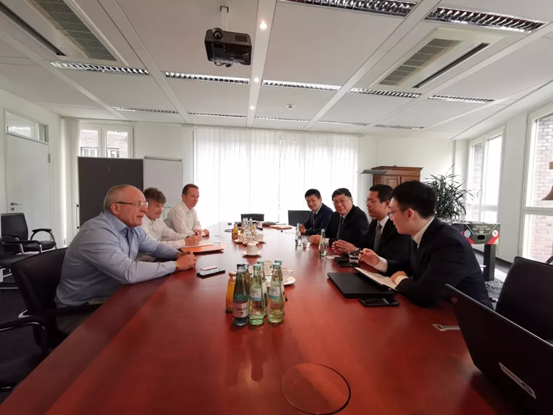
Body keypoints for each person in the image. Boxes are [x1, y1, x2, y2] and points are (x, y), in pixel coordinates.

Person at [55, 185, 197, 333]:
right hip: (81, 312)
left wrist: (177, 254)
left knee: (165, 314)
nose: (144, 209)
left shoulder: (132, 228)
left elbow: (155, 247)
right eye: (138, 204)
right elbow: (129, 272)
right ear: (116, 208)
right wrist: (176, 265)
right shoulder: (97, 232)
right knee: (153, 330)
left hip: (113, 300)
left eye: (144, 204)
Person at [359, 181, 492, 308]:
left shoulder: (449, 243)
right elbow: (407, 267)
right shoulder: (421, 233)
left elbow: (425, 295)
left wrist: (400, 280)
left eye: (392, 213)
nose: (391, 218)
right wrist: (378, 262)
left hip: (467, 317)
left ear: (409, 214)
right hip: (439, 309)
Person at [334, 184, 410, 262]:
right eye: (367, 201)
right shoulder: (374, 223)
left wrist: (355, 250)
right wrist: (345, 249)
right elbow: (364, 245)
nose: (367, 205)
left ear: (387, 204)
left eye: (371, 201)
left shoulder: (397, 226)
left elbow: (390, 257)